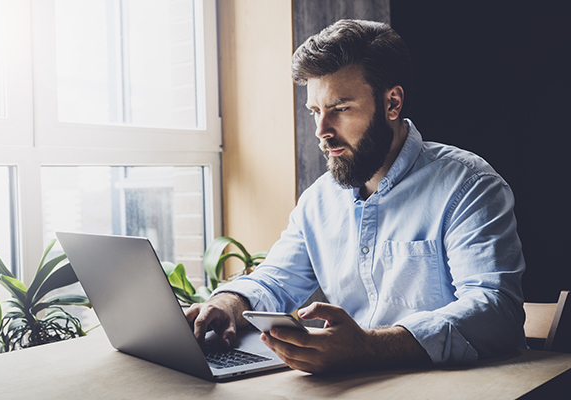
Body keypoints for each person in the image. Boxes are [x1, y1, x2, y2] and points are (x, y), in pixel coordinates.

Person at [186, 19, 526, 374]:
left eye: (341, 108)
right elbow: (275, 280)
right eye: (316, 112)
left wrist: (371, 347)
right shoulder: (318, 200)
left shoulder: (468, 185)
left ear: (392, 103)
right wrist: (227, 302)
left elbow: (495, 308)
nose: (322, 132)